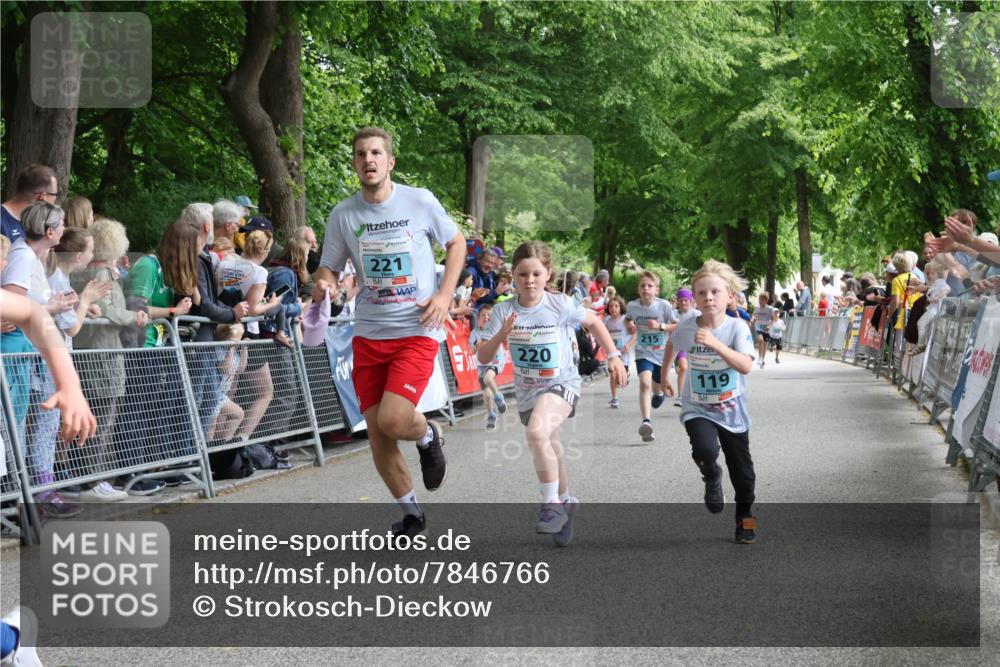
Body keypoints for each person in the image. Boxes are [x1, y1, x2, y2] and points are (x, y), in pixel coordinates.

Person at [313, 127, 466, 540]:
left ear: (390, 161)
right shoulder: (343, 214)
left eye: (376, 153)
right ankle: (412, 515)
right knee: (378, 434)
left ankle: (429, 433)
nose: (369, 160)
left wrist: (445, 295)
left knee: (395, 419)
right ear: (355, 163)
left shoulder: (418, 200)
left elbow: (456, 243)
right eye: (361, 154)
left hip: (415, 329)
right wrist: (325, 282)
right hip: (368, 334)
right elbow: (328, 265)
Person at [477, 241, 626, 545]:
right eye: (522, 274)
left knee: (536, 433)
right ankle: (567, 501)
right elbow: (483, 356)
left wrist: (613, 356)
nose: (529, 280)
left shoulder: (559, 304)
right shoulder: (504, 311)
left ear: (548, 275)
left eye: (536, 273)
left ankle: (551, 505)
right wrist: (502, 335)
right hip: (528, 389)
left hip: (563, 383)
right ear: (513, 276)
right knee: (548, 442)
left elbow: (595, 322)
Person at [662, 259, 758, 545]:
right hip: (698, 406)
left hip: (733, 411)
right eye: (701, 293)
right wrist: (664, 373)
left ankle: (746, 520)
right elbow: (672, 342)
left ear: (730, 296)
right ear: (695, 298)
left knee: (744, 477)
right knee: (704, 448)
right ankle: (711, 474)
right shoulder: (688, 327)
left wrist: (715, 344)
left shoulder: (737, 328)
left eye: (715, 292)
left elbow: (745, 366)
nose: (709, 298)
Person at [2, 201, 82, 517]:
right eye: (61, 225)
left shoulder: (31, 257)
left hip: (28, 354)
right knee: (14, 426)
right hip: (16, 354)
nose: (64, 230)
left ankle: (29, 497)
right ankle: (23, 499)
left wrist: (59, 305)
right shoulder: (21, 258)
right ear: (49, 231)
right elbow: (11, 311)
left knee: (22, 424)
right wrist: (51, 309)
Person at [72, 219, 153, 496]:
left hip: (93, 352)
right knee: (102, 418)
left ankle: (92, 478)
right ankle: (94, 480)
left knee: (95, 417)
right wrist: (136, 316)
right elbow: (107, 310)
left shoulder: (91, 272)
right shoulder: (100, 275)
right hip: (103, 353)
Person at [626, 271, 678, 442]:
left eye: (650, 286)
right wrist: (630, 326)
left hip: (662, 353)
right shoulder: (633, 306)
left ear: (657, 289)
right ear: (638, 290)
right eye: (643, 286)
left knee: (656, 387)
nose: (646, 289)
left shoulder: (663, 306)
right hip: (643, 352)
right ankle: (646, 422)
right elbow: (627, 320)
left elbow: (676, 326)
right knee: (644, 383)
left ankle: (659, 394)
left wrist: (660, 326)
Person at [468, 304, 507, 430]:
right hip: (482, 366)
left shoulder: (496, 328)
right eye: (483, 315)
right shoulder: (474, 333)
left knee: (488, 379)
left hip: (496, 361)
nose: (486, 317)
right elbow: (472, 352)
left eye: (489, 315)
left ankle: (499, 397)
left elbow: (505, 339)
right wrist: (478, 345)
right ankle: (491, 415)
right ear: (478, 318)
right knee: (487, 395)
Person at [1, 165, 58, 243]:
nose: (55, 200)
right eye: (54, 194)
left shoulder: (39, 225)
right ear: (43, 196)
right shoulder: (2, 221)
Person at [602, 295, 634, 408]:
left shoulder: (625, 319)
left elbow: (636, 334)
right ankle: (614, 398)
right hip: (612, 353)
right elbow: (603, 335)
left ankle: (626, 374)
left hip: (624, 354)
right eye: (611, 306)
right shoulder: (607, 321)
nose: (613, 308)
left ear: (621, 307)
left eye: (616, 306)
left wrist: (629, 345)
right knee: (613, 373)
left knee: (620, 381)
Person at [672, 287, 700, 407]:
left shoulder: (697, 314)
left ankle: (694, 394)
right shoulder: (674, 314)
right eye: (681, 300)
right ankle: (680, 396)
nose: (683, 303)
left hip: (694, 347)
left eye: (685, 300)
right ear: (677, 301)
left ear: (690, 300)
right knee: (683, 367)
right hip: (679, 346)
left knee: (691, 371)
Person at [751, 292, 775, 369]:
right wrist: (752, 319)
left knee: (765, 344)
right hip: (758, 326)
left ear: (766, 301)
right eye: (759, 299)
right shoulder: (757, 307)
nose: (760, 301)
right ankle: (759, 357)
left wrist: (769, 326)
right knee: (760, 340)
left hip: (766, 327)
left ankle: (762, 359)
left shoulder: (770, 309)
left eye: (762, 300)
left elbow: (773, 319)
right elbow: (754, 315)